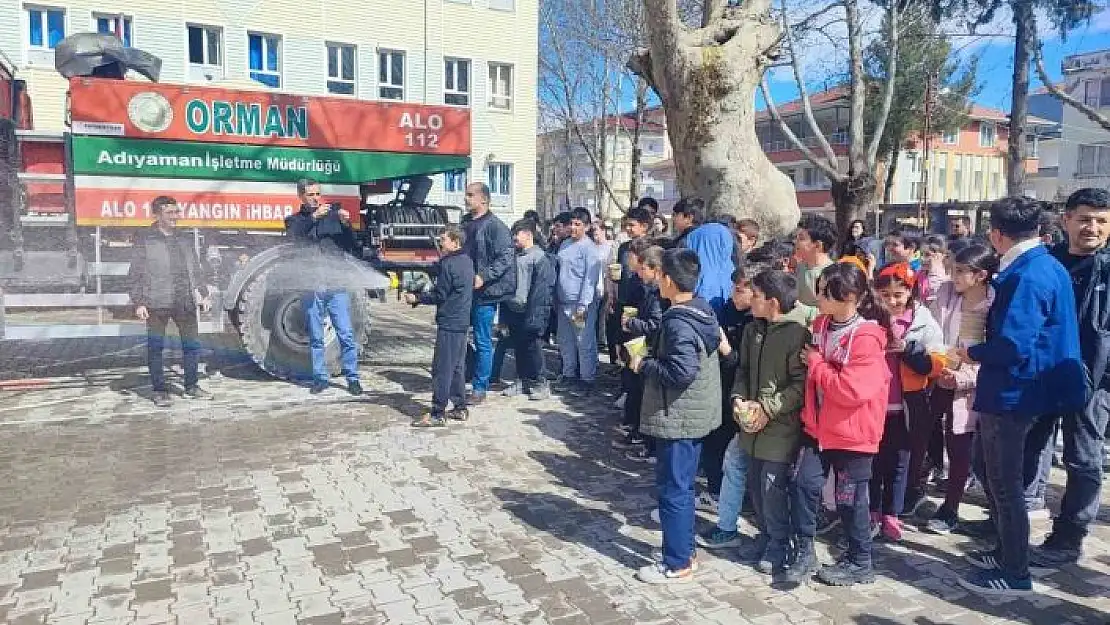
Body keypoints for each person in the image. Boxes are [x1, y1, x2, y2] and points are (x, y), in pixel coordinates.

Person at [955, 196, 1086, 596]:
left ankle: (1015, 573)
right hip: (1043, 391)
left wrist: (971, 353)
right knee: (1009, 478)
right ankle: (1006, 550)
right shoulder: (1048, 264)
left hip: (1017, 393)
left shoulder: (1028, 275)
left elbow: (1013, 346)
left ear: (996, 234)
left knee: (1005, 482)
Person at [790, 263, 891, 587]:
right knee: (804, 485)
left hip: (853, 433)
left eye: (824, 292)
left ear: (848, 297)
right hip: (817, 427)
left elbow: (850, 390)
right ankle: (804, 550)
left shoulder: (867, 337)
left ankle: (861, 561)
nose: (817, 297)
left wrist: (817, 363)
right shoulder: (821, 324)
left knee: (850, 500)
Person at [1028, 188, 1110, 566]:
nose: (1092, 227)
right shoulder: (1048, 263)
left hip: (1096, 382)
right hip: (1045, 374)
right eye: (1084, 219)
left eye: (1101, 220)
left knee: (1083, 459)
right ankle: (1018, 518)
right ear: (1066, 221)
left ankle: (1069, 537)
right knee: (1031, 447)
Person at [630, 249, 722, 584]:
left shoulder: (679, 322)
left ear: (668, 280)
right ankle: (683, 549)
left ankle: (677, 562)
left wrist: (643, 364)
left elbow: (681, 372)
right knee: (679, 486)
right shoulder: (701, 309)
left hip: (679, 416)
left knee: (674, 489)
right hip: (693, 413)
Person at [727, 270, 809, 581]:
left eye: (756, 296)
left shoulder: (797, 334)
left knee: (773, 487)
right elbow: (744, 371)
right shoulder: (752, 330)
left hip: (780, 426)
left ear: (772, 302)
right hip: (751, 425)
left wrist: (768, 407)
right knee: (755, 486)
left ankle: (779, 543)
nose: (750, 300)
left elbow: (800, 386)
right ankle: (764, 535)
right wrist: (739, 399)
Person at [869, 262, 944, 542]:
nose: (892, 301)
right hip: (874, 404)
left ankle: (893, 512)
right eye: (885, 295)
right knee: (873, 461)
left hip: (908, 405)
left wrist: (908, 350)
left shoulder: (922, 321)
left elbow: (936, 361)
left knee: (900, 461)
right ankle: (872, 510)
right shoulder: (870, 319)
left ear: (910, 293)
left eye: (898, 295)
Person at [925, 244, 996, 534]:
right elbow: (931, 325)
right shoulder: (946, 294)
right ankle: (916, 487)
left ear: (980, 275)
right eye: (953, 269)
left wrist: (965, 377)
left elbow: (993, 353)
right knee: (924, 429)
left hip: (970, 387)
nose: (954, 276)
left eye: (961, 272)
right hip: (938, 375)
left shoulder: (994, 305)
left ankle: (951, 507)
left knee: (960, 446)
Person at [128, 195, 214, 407]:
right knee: (156, 348)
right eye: (170, 213)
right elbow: (135, 273)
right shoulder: (145, 239)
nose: (176, 216)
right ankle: (159, 391)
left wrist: (203, 294)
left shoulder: (183, 238)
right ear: (157, 215)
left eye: (177, 212)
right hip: (156, 301)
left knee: (192, 346)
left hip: (184, 300)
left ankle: (192, 386)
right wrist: (138, 302)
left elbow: (195, 268)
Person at [694, 266, 758, 546]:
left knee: (732, 450)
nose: (735, 294)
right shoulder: (722, 309)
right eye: (734, 287)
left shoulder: (756, 323)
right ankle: (717, 491)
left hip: (742, 393)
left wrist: (725, 347)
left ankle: (727, 499)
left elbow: (742, 364)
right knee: (715, 442)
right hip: (720, 388)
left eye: (741, 289)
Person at [284, 178, 361, 396]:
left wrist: (347, 226)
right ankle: (320, 378)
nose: (316, 198)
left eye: (318, 194)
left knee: (345, 333)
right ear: (301, 196)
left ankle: (352, 377)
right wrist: (312, 218)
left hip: (335, 283)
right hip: (311, 284)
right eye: (311, 194)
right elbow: (293, 238)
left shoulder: (333, 218)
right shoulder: (294, 220)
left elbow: (351, 246)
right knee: (316, 336)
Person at [405, 226, 474, 427]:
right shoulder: (467, 261)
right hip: (462, 322)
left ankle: (437, 413)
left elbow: (440, 295)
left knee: (442, 368)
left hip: (449, 322)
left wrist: (417, 297)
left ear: (455, 242)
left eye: (444, 239)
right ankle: (460, 408)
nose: (440, 242)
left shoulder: (449, 264)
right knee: (457, 368)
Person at [461, 182, 517, 404]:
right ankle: (461, 376)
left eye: (470, 195)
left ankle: (479, 388)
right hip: (464, 291)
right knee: (459, 337)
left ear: (483, 199)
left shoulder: (495, 226)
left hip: (485, 294)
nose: (466, 199)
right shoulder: (465, 223)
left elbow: (505, 257)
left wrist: (484, 276)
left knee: (483, 340)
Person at [616, 243, 665, 462]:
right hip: (643, 346)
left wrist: (633, 324)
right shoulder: (650, 291)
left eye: (643, 268)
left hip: (652, 349)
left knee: (647, 395)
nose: (638, 272)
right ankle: (640, 434)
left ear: (655, 269)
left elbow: (655, 324)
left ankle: (650, 444)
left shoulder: (657, 295)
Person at [498, 219, 557, 400]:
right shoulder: (514, 256)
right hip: (513, 309)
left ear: (528, 235)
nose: (514, 237)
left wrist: (536, 316)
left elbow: (542, 291)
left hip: (531, 310)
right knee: (518, 347)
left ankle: (541, 382)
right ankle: (522, 380)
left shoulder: (540, 258)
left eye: (517, 233)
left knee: (534, 348)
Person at [555, 207, 602, 390]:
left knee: (583, 341)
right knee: (565, 340)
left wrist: (583, 304)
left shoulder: (589, 249)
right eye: (572, 224)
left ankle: (586, 378)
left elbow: (590, 280)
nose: (574, 228)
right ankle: (568, 374)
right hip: (563, 301)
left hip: (580, 304)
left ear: (587, 226)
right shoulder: (565, 244)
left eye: (578, 224)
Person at [685, 205, 738, 316]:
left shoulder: (692, 235)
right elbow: (735, 257)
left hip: (696, 286)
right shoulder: (727, 233)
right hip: (726, 284)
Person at [793, 215, 837, 307]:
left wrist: (801, 310)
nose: (795, 242)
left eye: (801, 239)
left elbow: (832, 311)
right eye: (796, 238)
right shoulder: (800, 267)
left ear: (817, 245)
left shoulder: (833, 274)